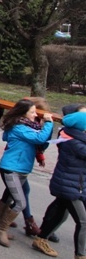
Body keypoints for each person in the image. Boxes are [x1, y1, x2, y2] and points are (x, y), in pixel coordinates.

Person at [0, 99, 53, 247]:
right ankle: (1, 228)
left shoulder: (28, 127)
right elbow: (39, 137)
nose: (35, 114)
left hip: (22, 169)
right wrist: (49, 123)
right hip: (12, 168)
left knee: (9, 197)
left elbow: (41, 142)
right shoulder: (19, 127)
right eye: (32, 112)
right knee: (20, 202)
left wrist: (44, 130)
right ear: (23, 114)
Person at [31, 104, 86, 258]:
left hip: (74, 184)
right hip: (69, 186)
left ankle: (41, 239)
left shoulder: (75, 137)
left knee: (60, 214)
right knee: (83, 222)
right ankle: (80, 255)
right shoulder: (74, 142)